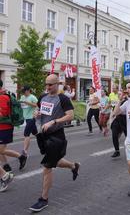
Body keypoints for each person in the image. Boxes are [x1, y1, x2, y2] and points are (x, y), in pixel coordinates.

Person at [30, 74, 80, 212]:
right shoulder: (42, 97)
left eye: (50, 85)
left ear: (57, 84)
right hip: (43, 135)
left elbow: (70, 116)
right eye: (46, 84)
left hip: (56, 136)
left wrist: (55, 121)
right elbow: (39, 110)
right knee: (55, 161)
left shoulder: (63, 99)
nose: (47, 87)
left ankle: (43, 199)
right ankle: (73, 166)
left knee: (47, 167)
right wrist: (37, 114)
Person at [0, 80, 27, 172]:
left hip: (4, 128)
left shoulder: (3, 97)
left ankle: (21, 157)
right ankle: (6, 166)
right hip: (1, 127)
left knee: (1, 150)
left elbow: (2, 114)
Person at [20, 86, 38, 157]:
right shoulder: (22, 97)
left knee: (26, 134)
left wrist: (27, 102)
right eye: (22, 91)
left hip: (31, 118)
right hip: (26, 118)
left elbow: (37, 105)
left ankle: (25, 151)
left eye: (24, 91)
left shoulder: (32, 97)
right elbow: (20, 104)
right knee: (35, 133)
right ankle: (44, 143)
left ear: (28, 90)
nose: (23, 93)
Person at [110, 91, 128, 158]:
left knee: (128, 137)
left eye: (120, 94)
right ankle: (117, 151)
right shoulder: (117, 101)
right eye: (118, 94)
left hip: (125, 120)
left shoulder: (127, 102)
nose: (119, 95)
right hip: (117, 119)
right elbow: (114, 111)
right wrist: (111, 118)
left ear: (124, 95)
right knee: (114, 135)